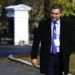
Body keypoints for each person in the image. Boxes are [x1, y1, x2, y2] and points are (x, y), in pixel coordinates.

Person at [31, 4, 72, 75]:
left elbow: (71, 41)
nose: (54, 16)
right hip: (48, 57)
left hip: (61, 57)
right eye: (52, 13)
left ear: (60, 14)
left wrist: (67, 53)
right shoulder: (43, 24)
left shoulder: (66, 25)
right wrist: (34, 56)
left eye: (56, 14)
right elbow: (36, 41)